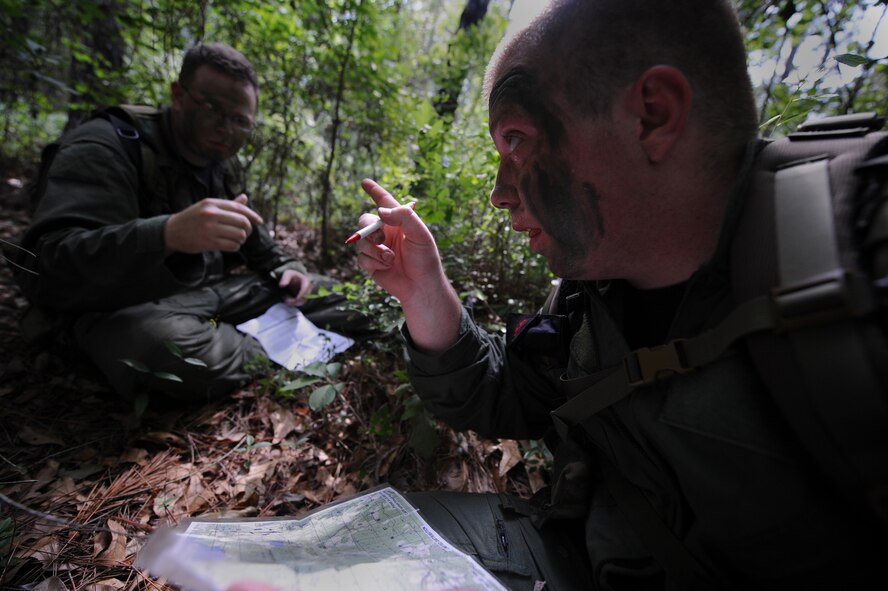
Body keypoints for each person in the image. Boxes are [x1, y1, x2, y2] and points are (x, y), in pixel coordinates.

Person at [351, 0, 886, 589]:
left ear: (652, 116)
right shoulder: (594, 292)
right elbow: (506, 397)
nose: (501, 193)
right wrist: (423, 288)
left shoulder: (859, 245)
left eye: (517, 140)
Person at [14, 42, 365, 403]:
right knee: (167, 351)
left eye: (241, 121)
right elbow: (43, 268)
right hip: (125, 312)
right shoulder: (108, 145)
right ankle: (284, 345)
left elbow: (259, 245)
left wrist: (287, 267)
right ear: (178, 96)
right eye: (212, 107)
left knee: (336, 295)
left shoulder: (219, 165)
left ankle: (266, 338)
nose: (225, 128)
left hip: (207, 302)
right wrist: (166, 235)